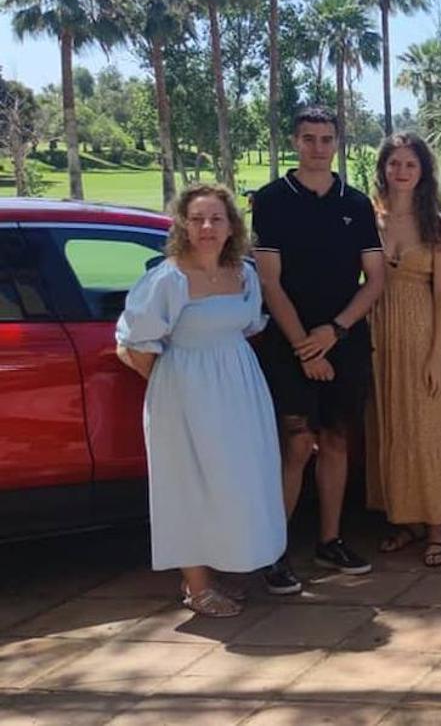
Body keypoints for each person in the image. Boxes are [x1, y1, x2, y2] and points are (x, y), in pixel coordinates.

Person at [116, 184, 285, 617]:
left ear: (231, 226)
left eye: (216, 218)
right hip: (183, 394)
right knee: (188, 484)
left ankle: (231, 566)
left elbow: (248, 326)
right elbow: (135, 344)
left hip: (240, 388)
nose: (207, 227)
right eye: (197, 219)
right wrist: (174, 388)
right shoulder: (168, 280)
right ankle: (197, 585)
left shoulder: (244, 274)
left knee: (237, 481)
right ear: (183, 226)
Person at [252, 106, 385, 594]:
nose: (317, 147)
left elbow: (375, 280)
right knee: (296, 447)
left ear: (337, 143)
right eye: (308, 138)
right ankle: (274, 552)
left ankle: (330, 541)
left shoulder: (355, 202)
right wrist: (307, 348)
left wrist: (335, 331)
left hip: (344, 340)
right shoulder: (269, 201)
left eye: (326, 139)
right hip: (290, 345)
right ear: (294, 141)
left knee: (335, 443)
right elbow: (270, 282)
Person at [364, 132, 441, 567]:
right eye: (394, 163)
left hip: (423, 330)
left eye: (410, 164)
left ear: (423, 173)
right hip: (378, 330)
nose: (401, 171)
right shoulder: (369, 219)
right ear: (383, 167)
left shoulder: (436, 224)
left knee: (426, 427)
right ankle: (403, 520)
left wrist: (437, 354)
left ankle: (436, 526)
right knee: (390, 424)